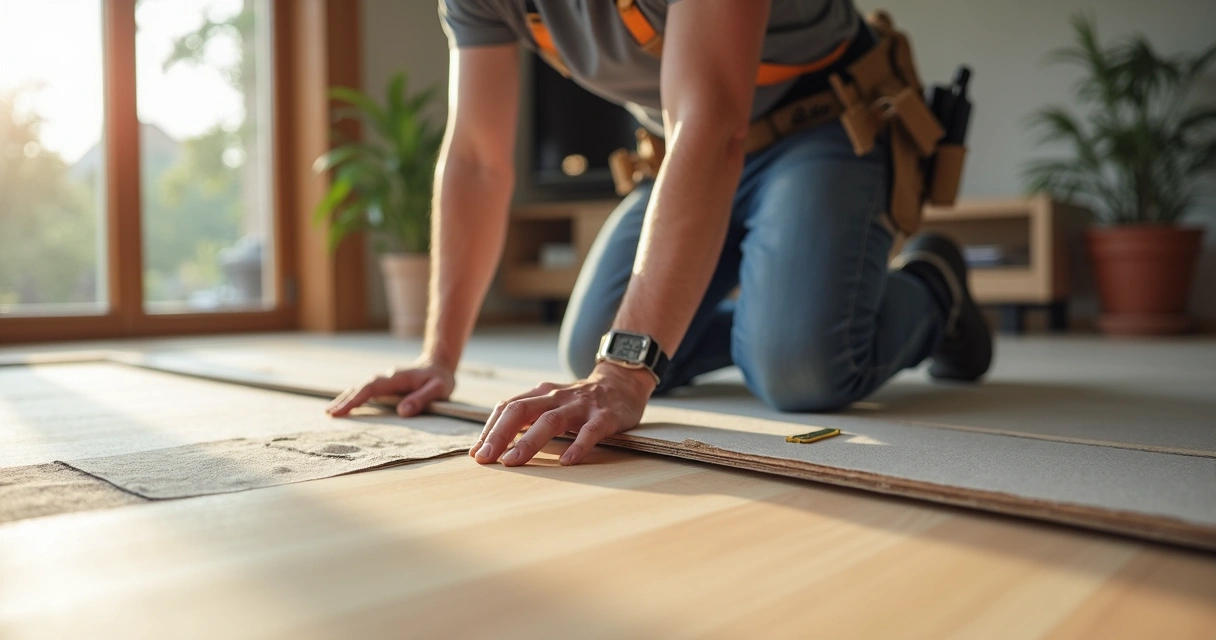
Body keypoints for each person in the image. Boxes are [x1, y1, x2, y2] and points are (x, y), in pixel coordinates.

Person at [326, 0, 993, 468]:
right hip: (682, 149)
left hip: (822, 124)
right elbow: (476, 157)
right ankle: (770, 313)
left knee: (800, 368)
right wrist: (439, 356)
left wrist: (624, 372)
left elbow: (716, 123)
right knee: (593, 345)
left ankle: (936, 288)